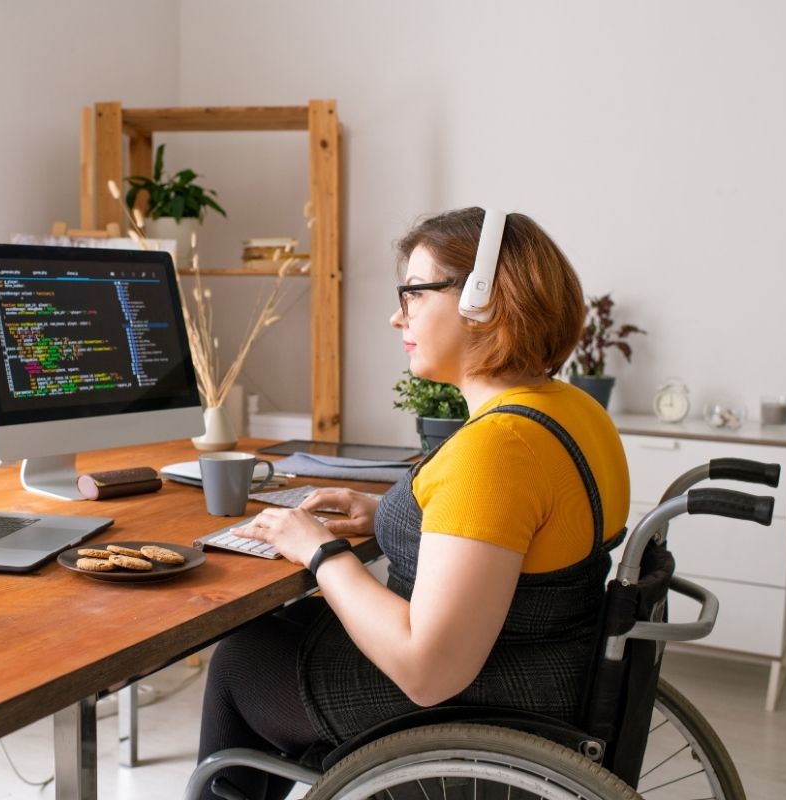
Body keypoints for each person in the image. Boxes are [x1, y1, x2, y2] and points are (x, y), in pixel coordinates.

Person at [194, 207, 630, 800]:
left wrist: (321, 552)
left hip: (485, 697)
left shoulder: (498, 447)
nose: (395, 315)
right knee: (279, 630)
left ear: (484, 300)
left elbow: (429, 672)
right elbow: (520, 535)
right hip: (548, 669)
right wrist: (388, 516)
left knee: (242, 660)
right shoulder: (572, 410)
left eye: (415, 294)